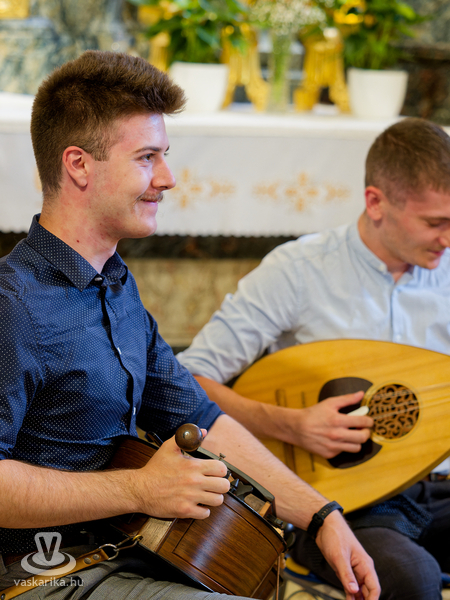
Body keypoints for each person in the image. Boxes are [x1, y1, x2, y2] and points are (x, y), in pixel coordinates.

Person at [0, 50, 379, 600]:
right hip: (37, 573)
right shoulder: (12, 302)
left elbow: (202, 419)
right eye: (146, 157)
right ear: (78, 165)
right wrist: (140, 489)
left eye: (165, 156)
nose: (168, 178)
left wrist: (323, 517)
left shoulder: (116, 285)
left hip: (129, 550)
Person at [178, 117, 450, 600]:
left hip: (442, 486)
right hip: (341, 504)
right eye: (435, 222)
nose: (447, 237)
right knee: (411, 578)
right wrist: (292, 426)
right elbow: (189, 380)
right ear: (375, 202)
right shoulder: (299, 271)